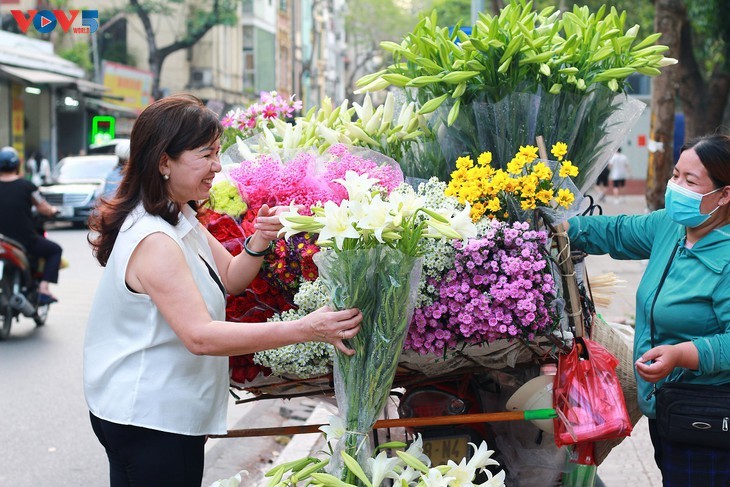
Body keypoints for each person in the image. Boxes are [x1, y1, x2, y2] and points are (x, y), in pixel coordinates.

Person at [83, 94, 363, 486]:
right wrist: (306, 329)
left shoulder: (177, 214)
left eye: (217, 153)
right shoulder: (154, 239)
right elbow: (200, 336)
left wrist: (260, 238)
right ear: (164, 161)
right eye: (206, 155)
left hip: (160, 411)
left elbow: (231, 276)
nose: (218, 166)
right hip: (148, 417)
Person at [564, 133, 730, 485]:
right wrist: (562, 228)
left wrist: (682, 354)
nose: (676, 187)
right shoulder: (672, 227)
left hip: (708, 413)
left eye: (690, 181)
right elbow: (619, 232)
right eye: (674, 175)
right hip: (665, 407)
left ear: (725, 194)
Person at [0, 146, 62, 304]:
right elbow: (43, 208)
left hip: (2, 241)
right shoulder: (27, 187)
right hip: (24, 240)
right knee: (55, 250)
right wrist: (53, 210)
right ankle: (43, 289)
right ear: (17, 166)